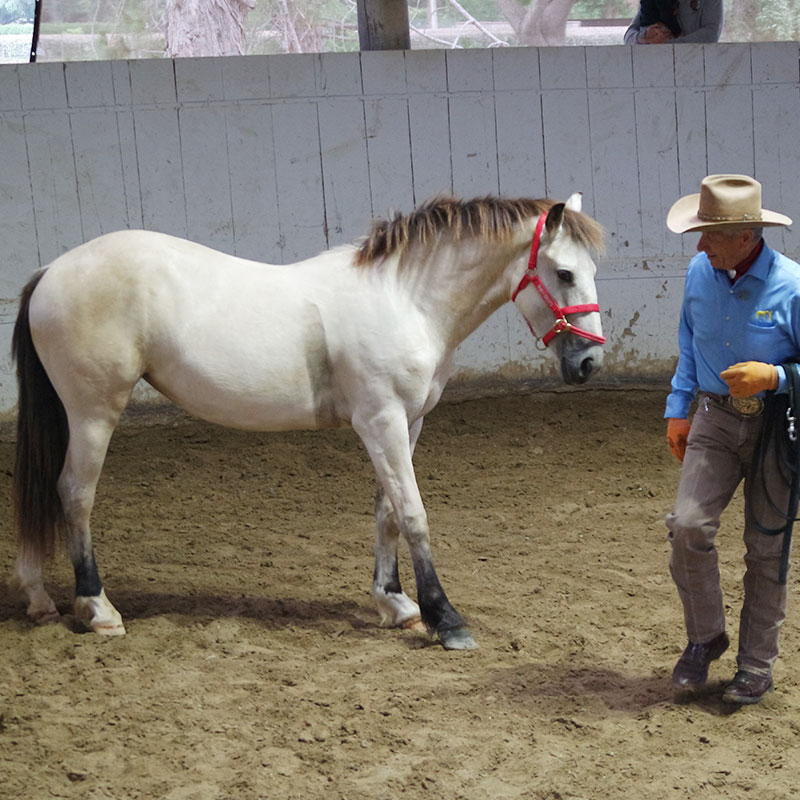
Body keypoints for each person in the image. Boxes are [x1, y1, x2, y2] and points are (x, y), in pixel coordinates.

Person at [664, 174, 800, 705]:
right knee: (687, 527)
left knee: (767, 550)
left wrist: (776, 378)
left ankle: (755, 666)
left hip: (775, 426)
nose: (699, 244)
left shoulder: (792, 286)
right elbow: (689, 343)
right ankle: (705, 637)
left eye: (709, 235)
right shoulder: (701, 271)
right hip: (714, 417)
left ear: (746, 236)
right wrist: (679, 410)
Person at [624, 0, 723, 44]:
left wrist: (668, 44)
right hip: (655, 70)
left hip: (695, 66)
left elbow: (711, 33)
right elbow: (628, 36)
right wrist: (644, 38)